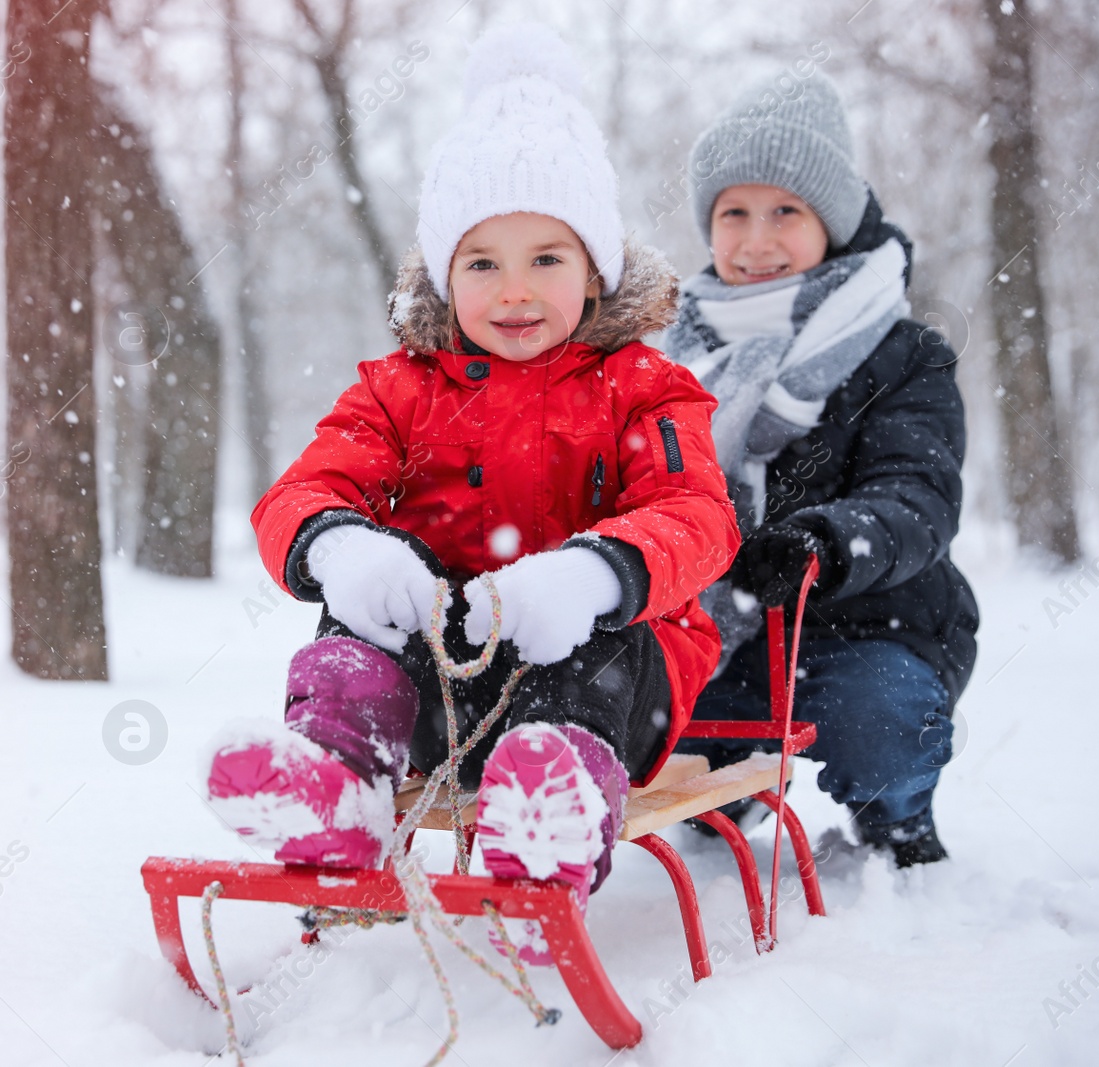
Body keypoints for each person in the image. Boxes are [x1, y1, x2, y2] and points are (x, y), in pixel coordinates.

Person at [202, 24, 739, 964]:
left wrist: (596, 574)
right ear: (446, 275)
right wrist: (341, 547)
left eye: (547, 258)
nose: (514, 290)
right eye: (482, 261)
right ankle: (337, 783)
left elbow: (699, 517)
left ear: (597, 267)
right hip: (446, 683)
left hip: (614, 682)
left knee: (591, 654)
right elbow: (304, 489)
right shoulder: (400, 389)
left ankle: (550, 816)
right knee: (352, 633)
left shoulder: (643, 386)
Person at [664, 72, 979, 868]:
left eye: (785, 212)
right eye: (734, 212)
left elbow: (918, 493)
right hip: (718, 626)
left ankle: (897, 818)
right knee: (649, 717)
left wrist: (826, 543)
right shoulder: (676, 355)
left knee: (886, 721)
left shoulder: (902, 352)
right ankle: (717, 805)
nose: (757, 239)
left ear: (830, 223)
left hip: (866, 618)